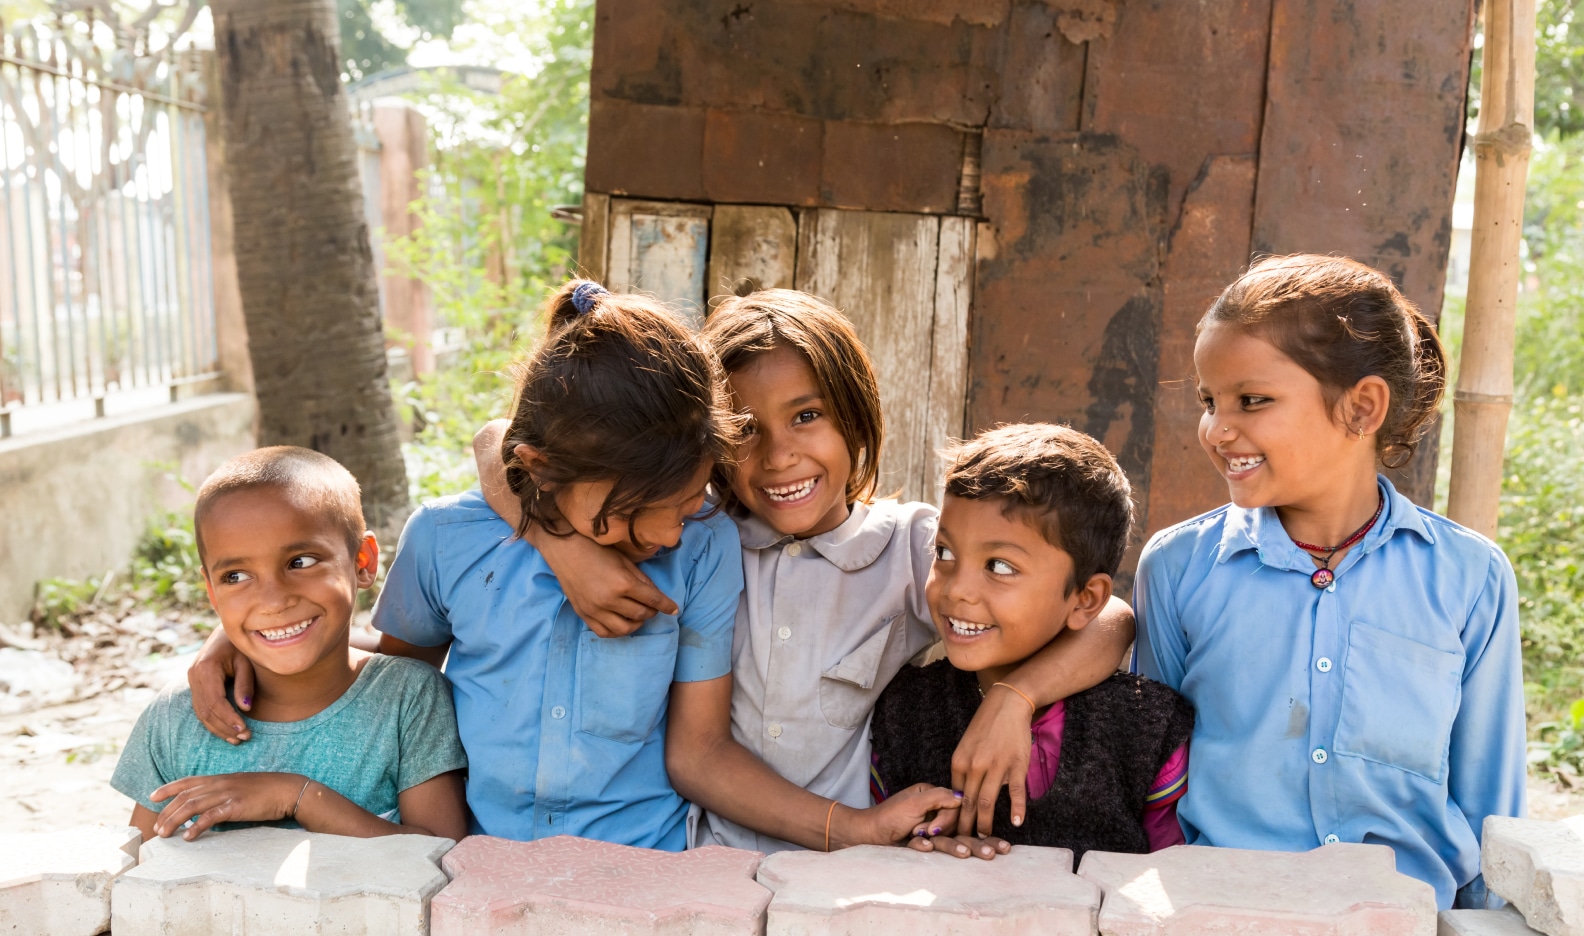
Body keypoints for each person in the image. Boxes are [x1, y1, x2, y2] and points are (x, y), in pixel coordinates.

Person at [187, 280, 961, 851]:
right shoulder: (448, 541)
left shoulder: (706, 541)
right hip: (479, 863)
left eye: (689, 498)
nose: (663, 532)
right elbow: (401, 691)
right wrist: (258, 636)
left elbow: (696, 750)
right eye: (630, 515)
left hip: (654, 865)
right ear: (545, 470)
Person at [472, 289, 1137, 857]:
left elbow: (1110, 619)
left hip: (846, 875)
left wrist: (1014, 698)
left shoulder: (913, 551)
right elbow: (495, 438)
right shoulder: (689, 536)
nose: (780, 455)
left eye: (807, 416)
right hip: (703, 863)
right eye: (746, 430)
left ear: (855, 415)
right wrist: (564, 549)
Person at [1133, 255, 1525, 910]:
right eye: (1209, 401)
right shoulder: (1178, 569)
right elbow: (1153, 783)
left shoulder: (1469, 580)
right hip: (1221, 916)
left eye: (1251, 400)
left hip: (1403, 920)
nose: (1217, 428)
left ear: (1362, 407)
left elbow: (1493, 809)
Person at [870, 423, 1192, 863]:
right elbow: (877, 860)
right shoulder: (904, 712)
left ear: (1086, 598)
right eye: (944, 553)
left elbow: (1176, 884)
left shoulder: (1146, 730)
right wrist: (913, 852)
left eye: (999, 565)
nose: (956, 590)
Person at [112, 447, 468, 843]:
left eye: (300, 562)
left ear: (363, 561)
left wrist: (297, 796)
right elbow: (138, 870)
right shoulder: (175, 720)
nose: (273, 600)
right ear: (211, 592)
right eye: (236, 576)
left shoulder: (407, 699)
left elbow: (441, 855)